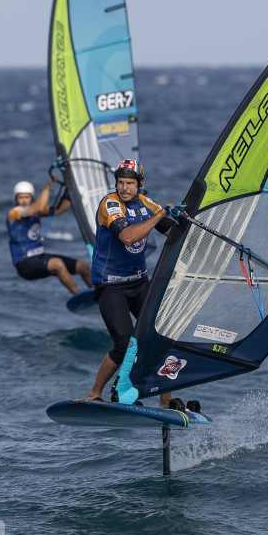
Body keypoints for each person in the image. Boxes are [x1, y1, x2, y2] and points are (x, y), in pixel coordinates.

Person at [85, 159, 179, 407]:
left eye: (130, 183)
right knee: (124, 344)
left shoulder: (146, 203)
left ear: (139, 184)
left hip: (139, 283)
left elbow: (171, 230)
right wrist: (160, 215)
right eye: (121, 182)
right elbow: (128, 237)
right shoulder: (110, 204)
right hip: (111, 286)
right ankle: (95, 393)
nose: (124, 188)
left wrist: (182, 220)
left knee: (162, 334)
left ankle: (165, 400)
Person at [7, 179, 92, 295]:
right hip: (25, 264)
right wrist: (47, 189)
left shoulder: (35, 211)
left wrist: (70, 192)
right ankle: (79, 296)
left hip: (40, 258)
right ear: (15, 199)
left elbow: (59, 210)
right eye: (20, 197)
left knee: (83, 266)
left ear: (31, 198)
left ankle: (98, 294)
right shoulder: (14, 213)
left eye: (26, 197)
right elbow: (40, 208)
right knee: (57, 264)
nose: (23, 201)